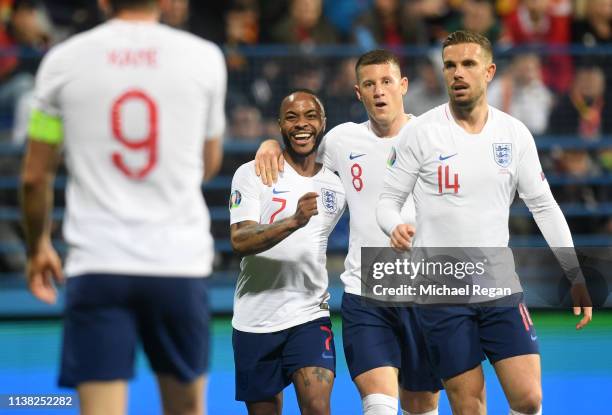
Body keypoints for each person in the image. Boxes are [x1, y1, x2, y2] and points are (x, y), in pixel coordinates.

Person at [20, 1, 226, 414]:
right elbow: (209, 164)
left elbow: (34, 176)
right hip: (177, 264)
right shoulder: (205, 59)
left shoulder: (63, 61)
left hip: (97, 264)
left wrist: (38, 246)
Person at [377, 30, 592, 415]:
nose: (458, 73)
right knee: (469, 404)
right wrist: (393, 225)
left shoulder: (513, 134)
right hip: (441, 294)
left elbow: (544, 206)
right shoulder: (420, 133)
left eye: (468, 64)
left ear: (489, 71)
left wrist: (574, 274)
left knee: (528, 399)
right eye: (450, 65)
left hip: (499, 287)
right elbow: (387, 202)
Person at [255, 50, 442, 415]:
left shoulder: (435, 138)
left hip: (425, 293)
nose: (379, 91)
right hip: (365, 290)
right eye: (369, 84)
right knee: (379, 406)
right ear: (359, 93)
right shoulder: (343, 141)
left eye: (387, 82)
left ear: (402, 86)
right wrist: (270, 144)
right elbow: (301, 154)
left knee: (421, 407)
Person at [229, 90, 345, 414]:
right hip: (255, 320)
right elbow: (240, 240)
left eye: (310, 116)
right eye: (292, 117)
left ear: (322, 123)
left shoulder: (336, 185)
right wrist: (293, 221)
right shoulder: (253, 173)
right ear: (279, 124)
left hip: (309, 315)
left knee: (318, 406)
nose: (302, 124)